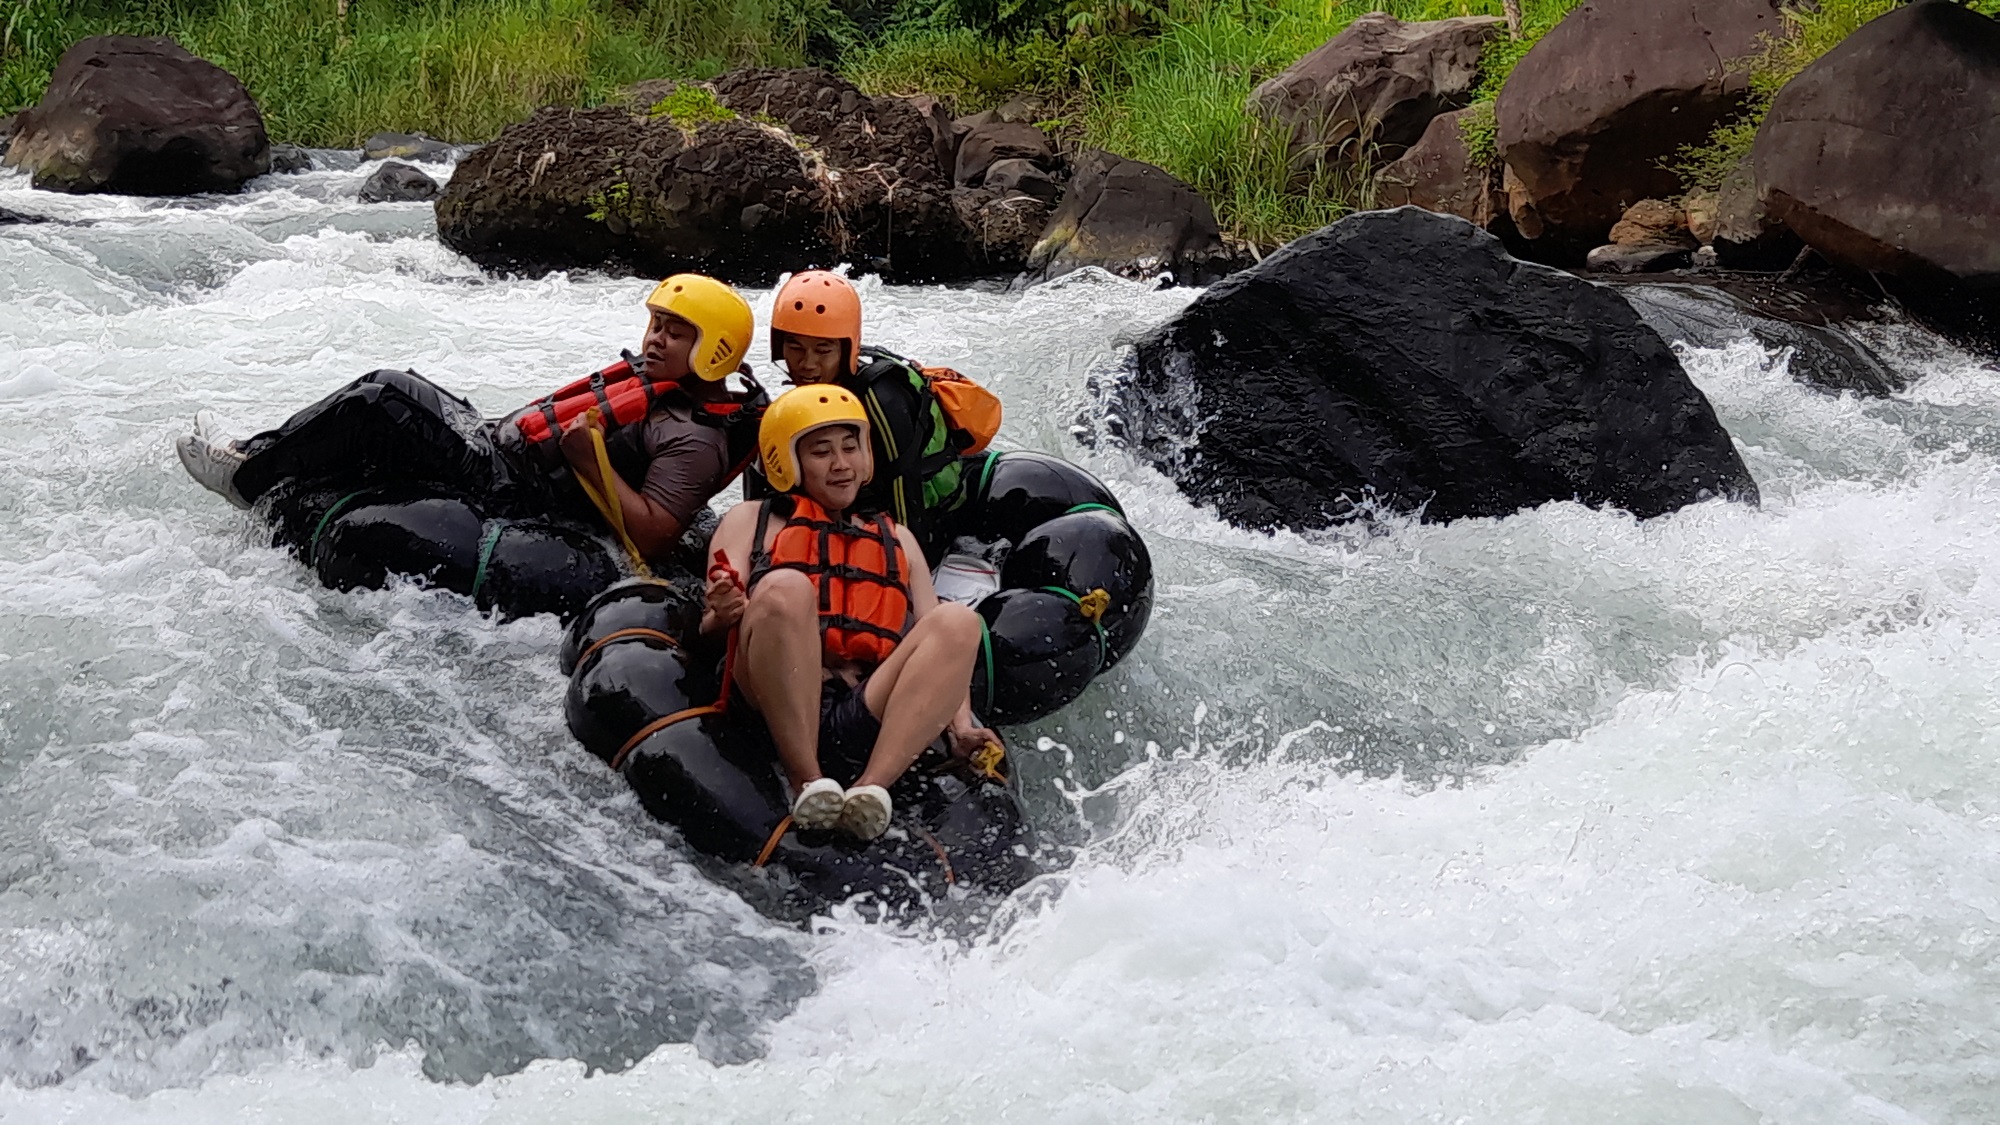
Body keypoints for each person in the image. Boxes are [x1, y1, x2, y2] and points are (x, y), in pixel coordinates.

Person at [175, 274, 762, 565]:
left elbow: (656, 534)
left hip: (512, 489)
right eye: (655, 324)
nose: (655, 339)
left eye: (675, 331)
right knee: (393, 382)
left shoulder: (695, 436)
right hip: (499, 448)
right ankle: (258, 450)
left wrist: (591, 458)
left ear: (714, 348)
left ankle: (246, 478)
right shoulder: (655, 384)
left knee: (385, 400)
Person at [702, 385, 1001, 840]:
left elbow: (935, 635)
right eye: (821, 452)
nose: (841, 464)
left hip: (858, 709)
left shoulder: (897, 538)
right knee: (786, 586)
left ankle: (871, 789)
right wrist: (724, 610)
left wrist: (961, 726)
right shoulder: (751, 520)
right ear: (787, 461)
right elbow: (710, 624)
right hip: (771, 700)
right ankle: (806, 781)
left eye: (850, 447)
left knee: (959, 621)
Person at [759, 271, 1001, 552]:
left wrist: (908, 565)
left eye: (822, 350)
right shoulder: (806, 397)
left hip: (929, 518)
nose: (806, 363)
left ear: (846, 348)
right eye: (794, 347)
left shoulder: (880, 396)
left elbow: (905, 487)